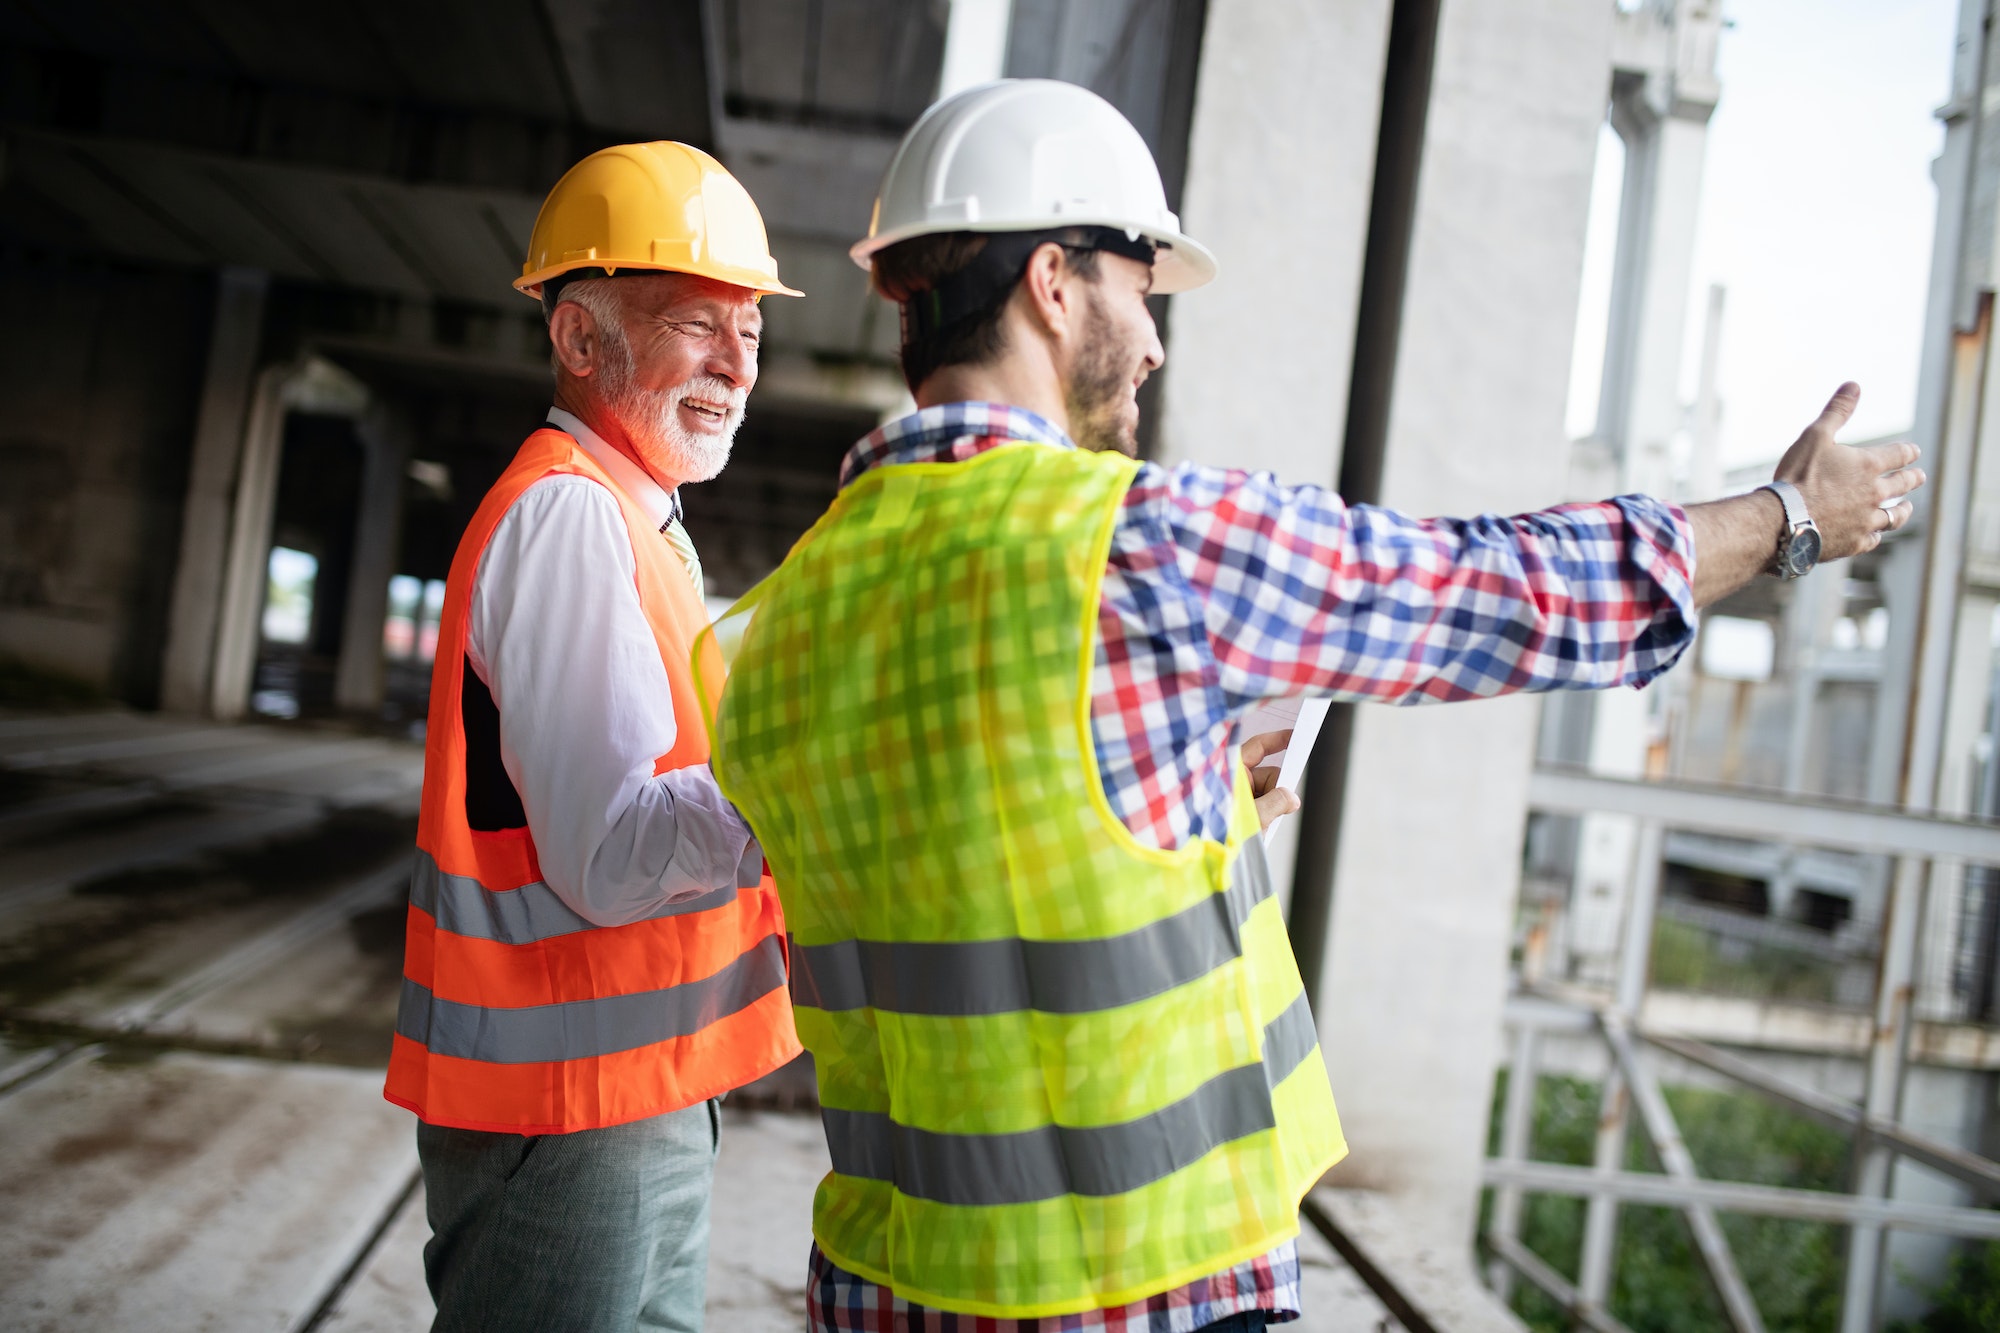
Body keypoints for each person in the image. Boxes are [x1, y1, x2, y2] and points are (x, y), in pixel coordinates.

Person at [698, 80, 1925, 1332]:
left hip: (885, 1289)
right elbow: (1488, 590)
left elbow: (967, 872)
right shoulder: (1138, 544)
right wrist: (1782, 521)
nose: (1157, 337)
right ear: (1053, 283)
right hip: (1141, 1288)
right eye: (1140, 283)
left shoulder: (767, 630)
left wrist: (1193, 798)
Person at [382, 141, 804, 1333]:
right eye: (696, 326)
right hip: (566, 1117)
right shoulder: (570, 513)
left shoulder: (638, 519)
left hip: (626, 1093)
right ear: (578, 339)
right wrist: (802, 771)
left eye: (752, 335)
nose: (735, 366)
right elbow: (610, 853)